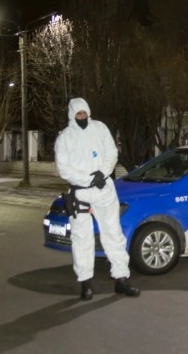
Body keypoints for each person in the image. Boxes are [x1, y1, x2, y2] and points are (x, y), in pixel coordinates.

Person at [54, 97, 140, 300]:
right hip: (81, 193)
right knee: (82, 238)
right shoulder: (64, 138)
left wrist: (103, 172)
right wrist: (88, 180)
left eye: (84, 113)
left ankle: (122, 278)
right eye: (78, 114)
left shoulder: (100, 129)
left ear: (89, 112)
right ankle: (86, 283)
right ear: (72, 115)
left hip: (104, 190)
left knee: (113, 233)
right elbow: (63, 168)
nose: (82, 117)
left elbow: (111, 152)